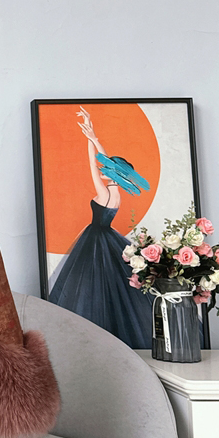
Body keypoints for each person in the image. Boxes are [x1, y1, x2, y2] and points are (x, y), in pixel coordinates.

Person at [48, 107, 154, 348]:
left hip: (94, 241)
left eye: (107, 169)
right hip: (108, 238)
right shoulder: (117, 195)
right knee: (111, 289)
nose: (102, 169)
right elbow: (105, 162)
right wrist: (94, 137)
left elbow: (93, 164)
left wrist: (89, 142)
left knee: (88, 289)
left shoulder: (103, 193)